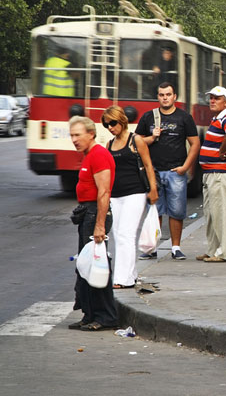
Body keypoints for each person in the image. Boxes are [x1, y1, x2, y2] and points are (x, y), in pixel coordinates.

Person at [136, 82, 200, 260]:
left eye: (168, 94)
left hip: (175, 171)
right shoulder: (148, 117)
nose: (165, 97)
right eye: (161, 94)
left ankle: (176, 247)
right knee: (154, 211)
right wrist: (152, 137)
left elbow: (195, 144)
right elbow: (137, 142)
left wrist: (185, 167)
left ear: (175, 97)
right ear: (158, 97)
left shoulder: (184, 118)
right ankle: (152, 247)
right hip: (153, 172)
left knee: (176, 212)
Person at [67, 116, 118, 331]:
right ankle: (89, 314)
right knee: (85, 267)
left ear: (91, 134)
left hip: (95, 215)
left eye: (78, 135)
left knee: (97, 266)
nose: (74, 140)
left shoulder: (99, 155)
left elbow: (104, 192)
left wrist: (99, 226)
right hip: (87, 213)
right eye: (72, 135)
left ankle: (105, 317)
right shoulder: (89, 155)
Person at [103, 106, 158, 288]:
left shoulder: (136, 140)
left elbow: (149, 165)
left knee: (126, 233)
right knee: (118, 235)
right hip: (115, 195)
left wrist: (153, 189)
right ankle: (131, 274)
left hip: (135, 193)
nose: (110, 127)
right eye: (106, 124)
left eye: (112, 123)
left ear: (121, 120)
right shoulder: (109, 144)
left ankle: (122, 279)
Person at [196, 86, 226, 263]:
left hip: (219, 174)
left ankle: (225, 253)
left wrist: (222, 150)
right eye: (211, 98)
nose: (212, 101)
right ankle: (213, 249)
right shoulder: (217, 119)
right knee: (211, 214)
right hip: (212, 173)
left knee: (220, 214)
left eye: (217, 98)